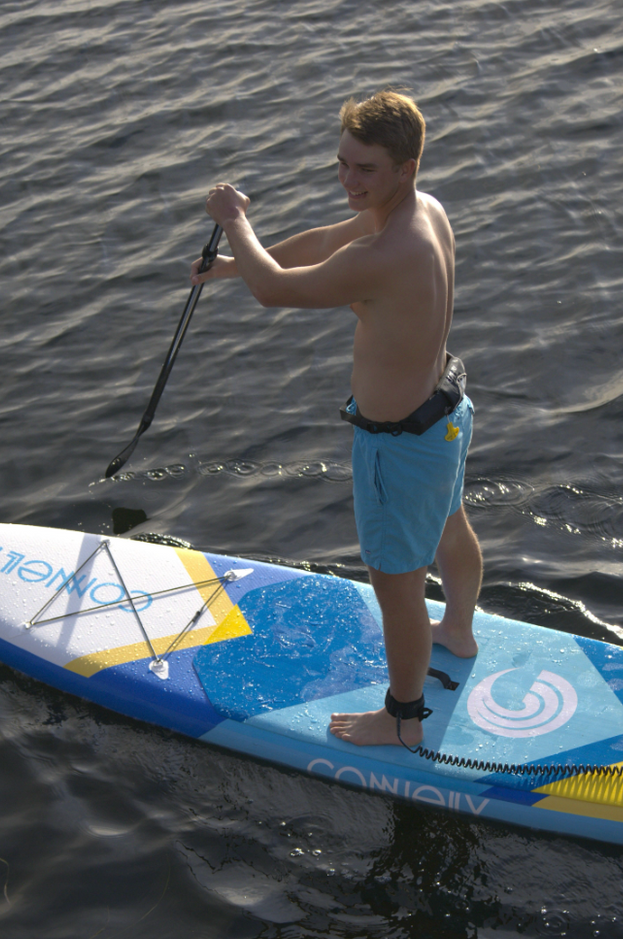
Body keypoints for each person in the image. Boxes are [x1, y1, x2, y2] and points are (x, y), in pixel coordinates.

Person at [191, 90, 482, 748]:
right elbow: (321, 245)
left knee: (397, 587)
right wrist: (238, 264)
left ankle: (404, 720)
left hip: (399, 448)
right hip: (446, 415)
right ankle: (459, 628)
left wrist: (234, 219)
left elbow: (278, 291)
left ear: (406, 167)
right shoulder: (421, 213)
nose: (350, 181)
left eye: (367, 170)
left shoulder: (382, 256)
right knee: (451, 524)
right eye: (342, 165)